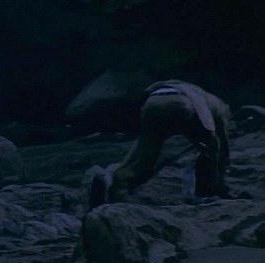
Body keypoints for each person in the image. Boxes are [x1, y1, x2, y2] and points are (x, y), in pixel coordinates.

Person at [89, 80, 233, 208]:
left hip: (153, 102)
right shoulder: (220, 107)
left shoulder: (195, 90)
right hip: (181, 102)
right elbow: (222, 145)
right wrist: (222, 181)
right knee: (211, 149)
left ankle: (117, 183)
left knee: (145, 155)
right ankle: (205, 194)